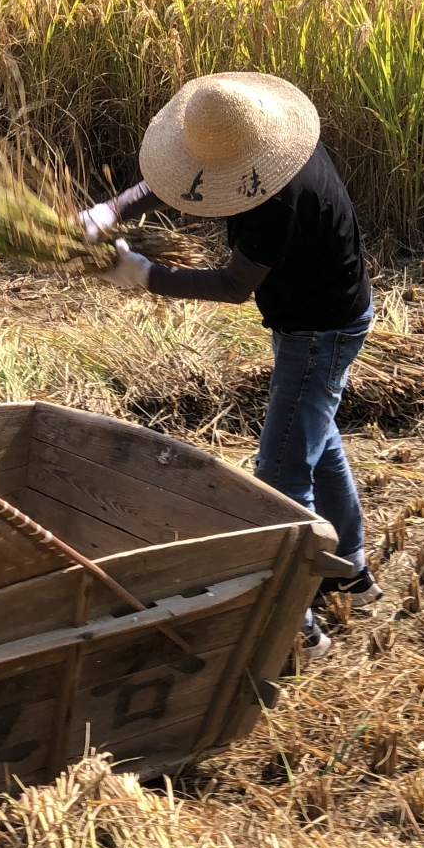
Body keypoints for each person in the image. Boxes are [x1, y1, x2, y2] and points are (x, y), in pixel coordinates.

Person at [80, 72, 376, 661]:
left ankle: (298, 624)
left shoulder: (281, 198)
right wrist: (110, 209)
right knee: (318, 443)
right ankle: (352, 573)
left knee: (282, 472)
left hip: (319, 331)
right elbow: (178, 180)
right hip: (316, 316)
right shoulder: (271, 145)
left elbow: (236, 285)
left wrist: (145, 277)